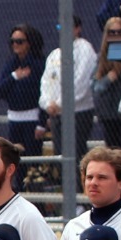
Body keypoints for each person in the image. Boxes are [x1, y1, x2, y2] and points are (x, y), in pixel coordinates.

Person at [39, 16, 98, 150]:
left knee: (75, 152)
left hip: (77, 112)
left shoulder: (85, 49)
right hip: (56, 114)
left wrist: (60, 103)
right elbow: (46, 82)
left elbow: (81, 82)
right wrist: (48, 104)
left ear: (77, 29)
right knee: (60, 153)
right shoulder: (55, 54)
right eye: (60, 27)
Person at [0, 23, 45, 159]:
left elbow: (45, 94)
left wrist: (42, 123)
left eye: (19, 41)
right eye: (13, 41)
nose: (15, 44)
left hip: (32, 119)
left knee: (32, 160)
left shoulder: (39, 65)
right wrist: (14, 77)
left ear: (29, 43)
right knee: (15, 160)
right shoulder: (11, 64)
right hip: (14, 119)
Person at [93, 18, 121, 151]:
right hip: (108, 113)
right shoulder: (102, 57)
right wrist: (109, 78)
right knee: (112, 151)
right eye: (113, 32)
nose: (117, 35)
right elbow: (96, 87)